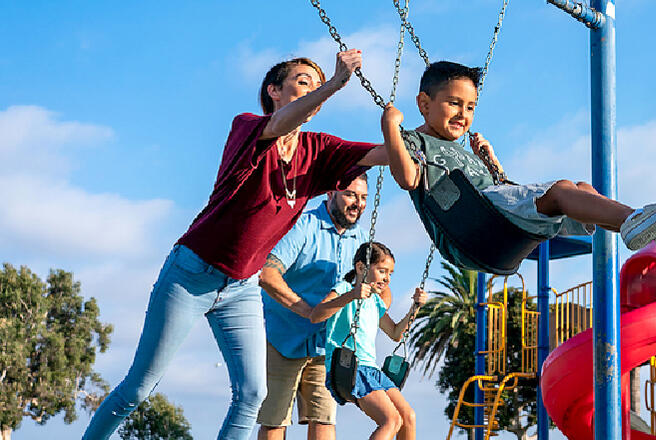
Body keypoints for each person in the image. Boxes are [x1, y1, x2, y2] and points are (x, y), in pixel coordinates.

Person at [83, 50, 389, 440]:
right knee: (138, 389)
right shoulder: (247, 126)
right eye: (303, 81)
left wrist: (420, 134)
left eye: (316, 83)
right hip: (191, 274)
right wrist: (333, 84)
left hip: (242, 288)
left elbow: (381, 153)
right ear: (274, 91)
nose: (313, 88)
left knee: (252, 394)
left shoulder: (318, 149)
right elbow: (279, 124)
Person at [379, 61, 656, 264]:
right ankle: (635, 219)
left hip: (493, 219)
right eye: (454, 104)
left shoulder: (466, 154)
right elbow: (408, 178)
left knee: (582, 190)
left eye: (470, 107)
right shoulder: (413, 141)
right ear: (424, 103)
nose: (463, 115)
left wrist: (491, 162)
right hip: (471, 228)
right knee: (560, 192)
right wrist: (391, 127)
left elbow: (505, 192)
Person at [256, 174, 371, 440]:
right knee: (274, 422)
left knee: (324, 421)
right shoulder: (302, 226)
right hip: (283, 337)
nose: (358, 204)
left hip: (326, 345)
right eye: (351, 195)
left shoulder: (363, 240)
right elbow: (267, 275)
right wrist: (309, 312)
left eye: (364, 197)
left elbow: (381, 287)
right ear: (330, 193)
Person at [309, 242, 427, 440]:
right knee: (391, 420)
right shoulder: (345, 288)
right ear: (361, 267)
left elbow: (396, 333)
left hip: (371, 370)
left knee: (408, 417)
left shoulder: (374, 301)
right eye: (382, 271)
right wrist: (351, 296)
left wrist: (415, 308)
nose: (387, 278)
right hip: (350, 366)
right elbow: (316, 315)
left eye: (390, 273)